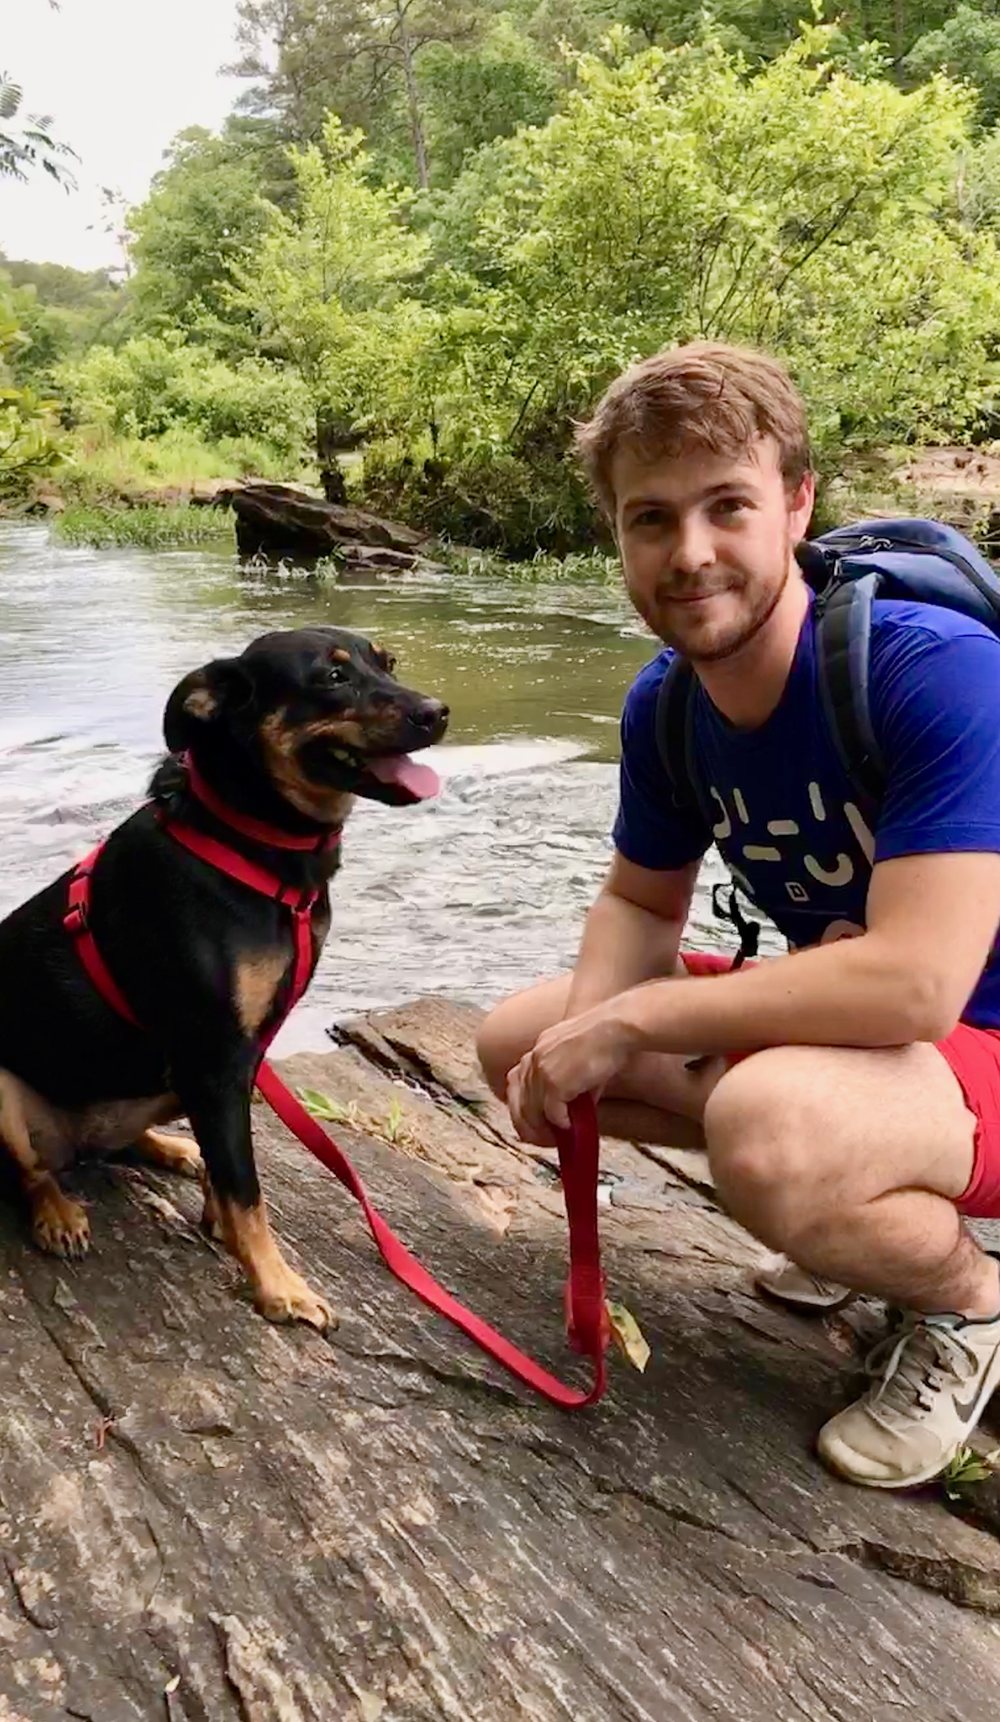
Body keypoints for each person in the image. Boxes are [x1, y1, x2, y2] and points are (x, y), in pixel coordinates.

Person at [477, 340, 1000, 1491]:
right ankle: (846, 1205)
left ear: (797, 502)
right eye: (649, 519)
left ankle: (967, 1302)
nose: (690, 552)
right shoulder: (666, 706)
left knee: (768, 1125)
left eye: (727, 506)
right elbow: (636, 896)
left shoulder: (933, 670)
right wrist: (595, 1034)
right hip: (875, 1041)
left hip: (975, 1036)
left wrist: (639, 1020)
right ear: (614, 534)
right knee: (524, 1044)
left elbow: (918, 985)